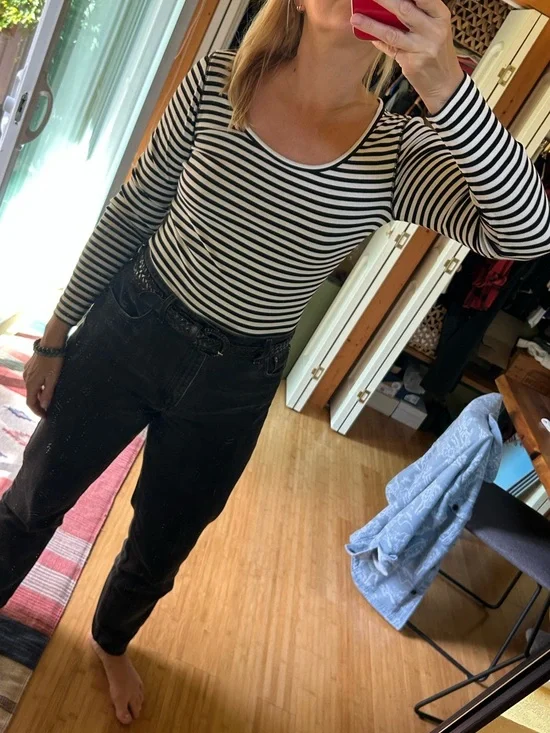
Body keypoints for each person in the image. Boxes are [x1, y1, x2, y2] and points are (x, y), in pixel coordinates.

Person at [1, 0, 549, 725]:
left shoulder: (400, 152)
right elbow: (133, 211)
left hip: (236, 382)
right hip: (130, 329)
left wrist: (448, 86)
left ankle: (110, 640)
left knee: (163, 544)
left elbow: (527, 233)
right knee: (34, 496)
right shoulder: (219, 80)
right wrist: (54, 334)